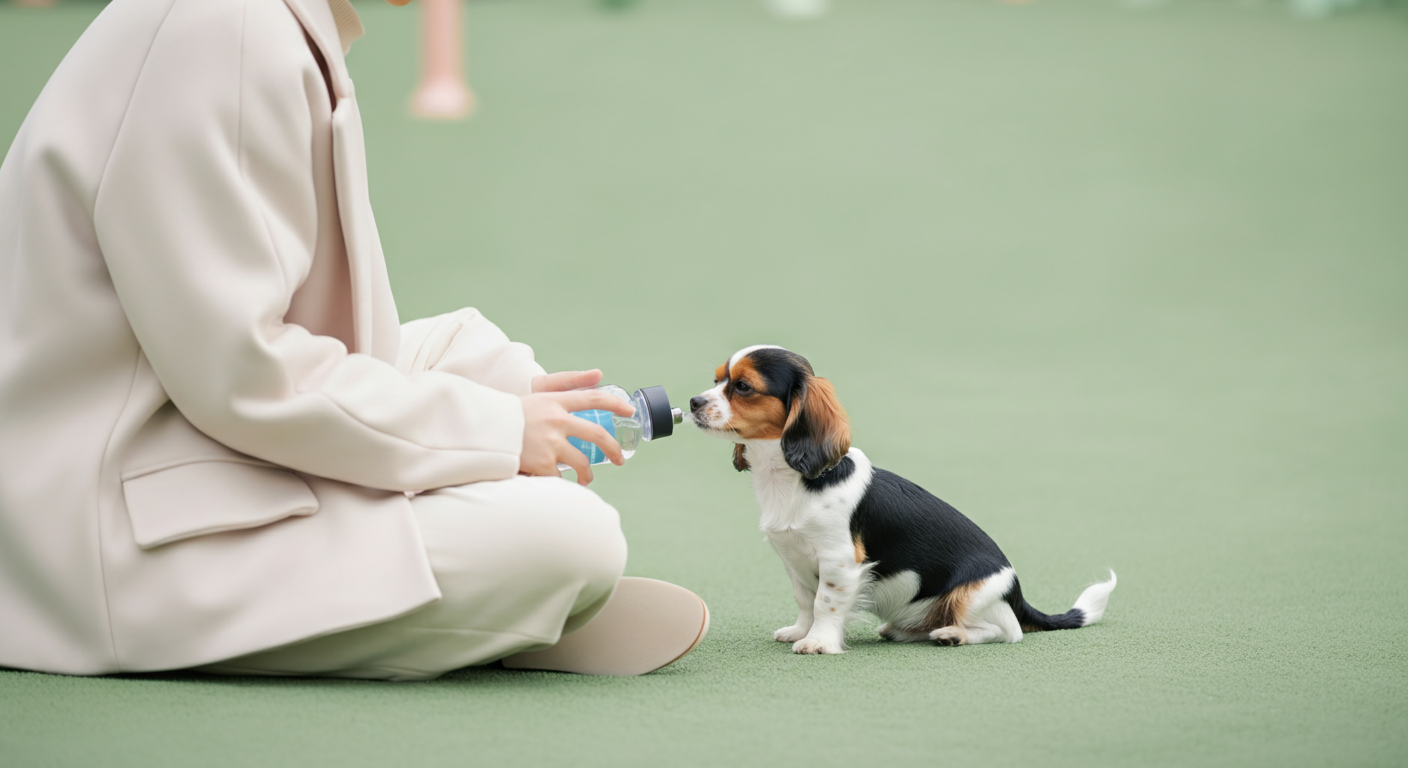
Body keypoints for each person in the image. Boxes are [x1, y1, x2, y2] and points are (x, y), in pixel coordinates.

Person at [0, 0, 708, 680]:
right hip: (97, 537)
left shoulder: (266, 22)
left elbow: (280, 343)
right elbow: (246, 379)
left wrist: (500, 406)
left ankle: (471, 588)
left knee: (489, 365)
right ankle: (483, 614)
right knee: (566, 540)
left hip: (160, 424)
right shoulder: (232, 29)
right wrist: (492, 433)